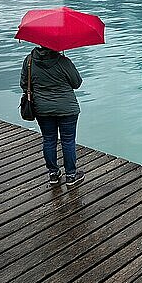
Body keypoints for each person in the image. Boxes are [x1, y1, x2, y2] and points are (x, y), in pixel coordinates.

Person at [20, 46, 85, 186]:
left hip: (42, 109)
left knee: (49, 140)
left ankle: (53, 174)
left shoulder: (29, 61)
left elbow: (24, 84)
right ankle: (71, 175)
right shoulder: (63, 61)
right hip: (67, 109)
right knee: (68, 141)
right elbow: (77, 83)